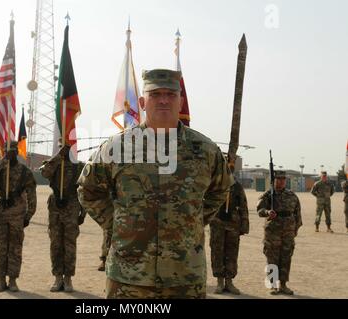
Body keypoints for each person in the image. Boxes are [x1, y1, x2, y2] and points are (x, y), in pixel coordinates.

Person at [77, 69, 233, 299]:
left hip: (185, 277)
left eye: (170, 94)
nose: (163, 100)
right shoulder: (117, 147)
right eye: (155, 94)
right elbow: (88, 189)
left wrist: (193, 221)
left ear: (180, 102)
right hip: (128, 277)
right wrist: (118, 224)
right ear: (142, 102)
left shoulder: (205, 150)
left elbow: (221, 189)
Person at [0, 141, 37, 293]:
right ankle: (1, 280)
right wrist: (1, 163)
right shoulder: (0, 168)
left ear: (17, 152)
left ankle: (13, 280)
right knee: (0, 247)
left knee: (15, 247)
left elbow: (32, 194)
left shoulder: (25, 172)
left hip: (17, 213)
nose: (11, 154)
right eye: (8, 152)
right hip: (1, 212)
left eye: (13, 151)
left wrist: (29, 215)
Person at [40, 142, 86, 293]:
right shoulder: (52, 164)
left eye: (66, 147)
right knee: (55, 243)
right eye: (61, 147)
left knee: (69, 244)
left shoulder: (78, 166)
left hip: (71, 205)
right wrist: (58, 157)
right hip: (55, 208)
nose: (64, 150)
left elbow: (85, 189)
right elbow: (45, 173)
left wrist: (83, 213)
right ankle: (58, 277)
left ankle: (68, 278)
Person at [257, 170, 302, 295]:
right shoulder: (268, 195)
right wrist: (267, 213)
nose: (281, 181)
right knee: (272, 257)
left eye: (283, 179)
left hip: (288, 233)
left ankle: (283, 284)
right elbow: (259, 209)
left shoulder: (292, 195)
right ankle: (272, 285)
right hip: (272, 232)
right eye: (278, 179)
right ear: (274, 180)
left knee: (286, 258)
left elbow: (298, 215)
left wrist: (294, 230)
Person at [209, 162, 249, 295]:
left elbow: (243, 206)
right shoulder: (214, 185)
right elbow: (207, 203)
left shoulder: (237, 186)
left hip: (233, 225)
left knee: (232, 253)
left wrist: (244, 225)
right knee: (217, 252)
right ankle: (220, 282)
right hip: (217, 223)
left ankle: (229, 282)